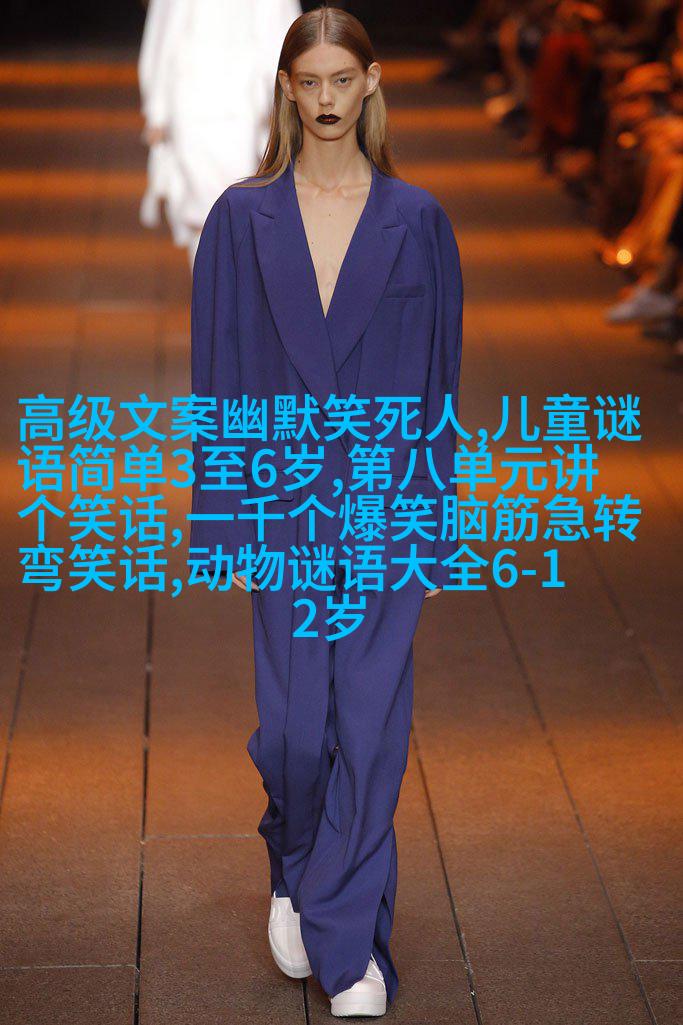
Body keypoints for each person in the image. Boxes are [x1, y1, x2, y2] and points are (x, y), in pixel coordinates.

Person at [189, 5, 463, 1017]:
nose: (326, 99)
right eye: (309, 82)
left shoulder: (417, 219)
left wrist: (431, 514)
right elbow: (218, 372)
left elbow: (438, 379)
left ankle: (349, 947)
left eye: (343, 79)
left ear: (371, 82)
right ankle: (295, 857)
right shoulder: (240, 218)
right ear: (286, 90)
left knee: (371, 722)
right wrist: (221, 516)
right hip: (283, 506)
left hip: (387, 503)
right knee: (296, 733)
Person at [137, 0, 301, 269]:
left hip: (243, 105)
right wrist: (157, 108)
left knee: (237, 208)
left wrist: (283, 98)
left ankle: (224, 287)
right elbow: (165, 28)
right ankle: (214, 288)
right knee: (205, 212)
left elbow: (280, 28)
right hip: (195, 101)